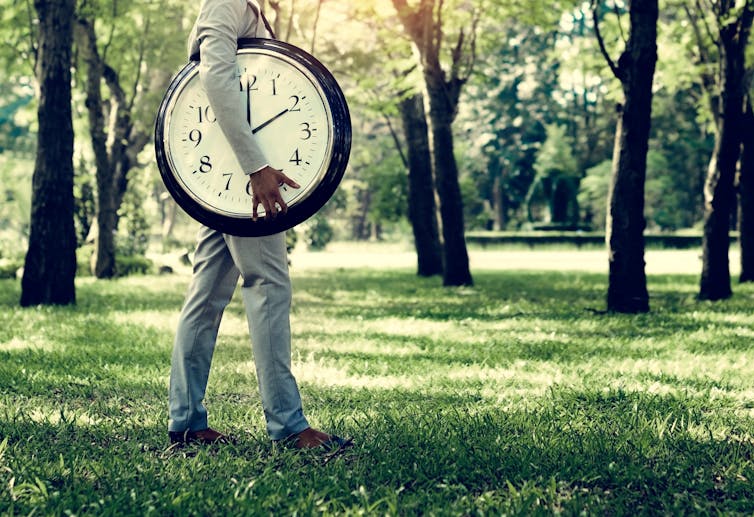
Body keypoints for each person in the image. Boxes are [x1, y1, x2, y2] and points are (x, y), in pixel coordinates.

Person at [168, 0, 350, 451]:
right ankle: (289, 427)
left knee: (206, 296)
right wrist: (256, 167)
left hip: (226, 187)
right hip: (241, 184)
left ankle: (186, 422)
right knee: (268, 284)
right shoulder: (226, 2)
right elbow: (214, 77)